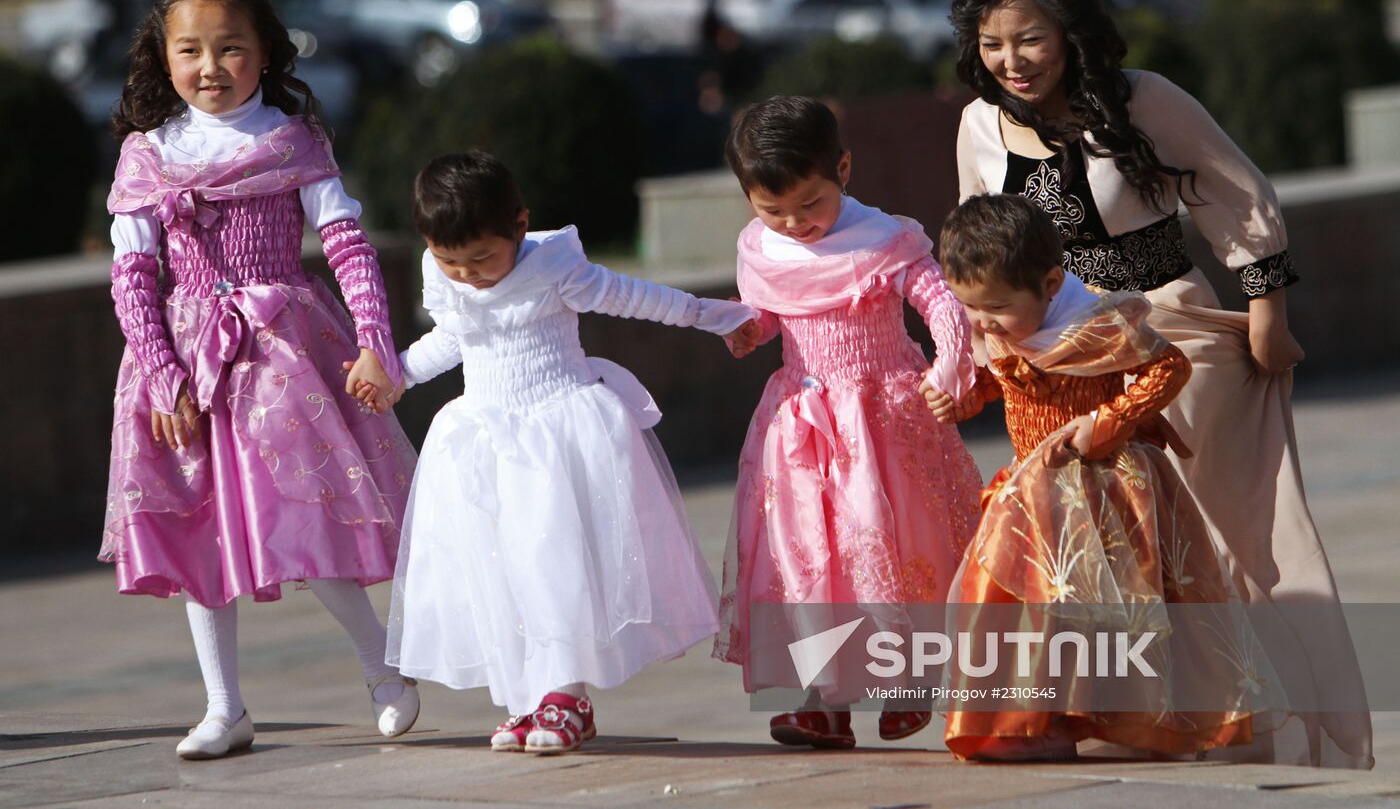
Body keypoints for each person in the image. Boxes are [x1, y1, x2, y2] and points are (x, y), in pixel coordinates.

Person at [947, 0, 1371, 769]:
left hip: (1169, 334)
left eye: (1029, 37)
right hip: (1059, 367)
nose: (1012, 60)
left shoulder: (1145, 100)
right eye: (991, 44)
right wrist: (983, 355)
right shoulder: (978, 126)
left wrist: (1266, 314)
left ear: (1070, 24)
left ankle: (1284, 726)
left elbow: (1240, 191)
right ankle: (1136, 716)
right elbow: (976, 249)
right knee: (1094, 549)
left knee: (1226, 535)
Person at [100, 0, 420, 760]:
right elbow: (131, 276)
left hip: (280, 351)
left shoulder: (292, 140)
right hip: (182, 364)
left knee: (305, 512)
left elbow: (347, 247)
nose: (210, 67)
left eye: (231, 47)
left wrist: (376, 342)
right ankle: (224, 705)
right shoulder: (148, 154)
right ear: (163, 56)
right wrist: (163, 371)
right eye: (190, 51)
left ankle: (382, 667)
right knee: (196, 531)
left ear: (266, 52)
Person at [375, 150, 756, 754]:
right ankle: (528, 697)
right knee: (504, 570)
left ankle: (565, 695)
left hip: (556, 437)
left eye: (481, 259)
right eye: (452, 263)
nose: (468, 275)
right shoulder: (443, 274)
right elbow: (451, 338)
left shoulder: (555, 266)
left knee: (555, 565)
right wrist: (395, 376)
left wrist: (715, 317)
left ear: (519, 225)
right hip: (482, 441)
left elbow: (635, 297)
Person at [927, 194, 1273, 761]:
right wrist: (963, 398)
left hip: (1107, 487)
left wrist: (1105, 421)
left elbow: (1169, 366)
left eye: (995, 308)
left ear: (1050, 282)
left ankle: (1127, 717)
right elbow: (1004, 381)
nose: (984, 323)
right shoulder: (1011, 327)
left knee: (1099, 608)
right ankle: (1037, 720)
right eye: (970, 309)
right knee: (1032, 603)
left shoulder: (1097, 324)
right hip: (1035, 489)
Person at [714, 95, 984, 748]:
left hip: (881, 419)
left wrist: (952, 362)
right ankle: (821, 700)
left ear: (843, 167)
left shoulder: (883, 238)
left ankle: (911, 675)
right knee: (807, 558)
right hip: (802, 428)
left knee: (893, 547)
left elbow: (941, 300)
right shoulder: (763, 249)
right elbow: (769, 310)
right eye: (772, 209)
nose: (794, 223)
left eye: (810, 203)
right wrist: (748, 328)